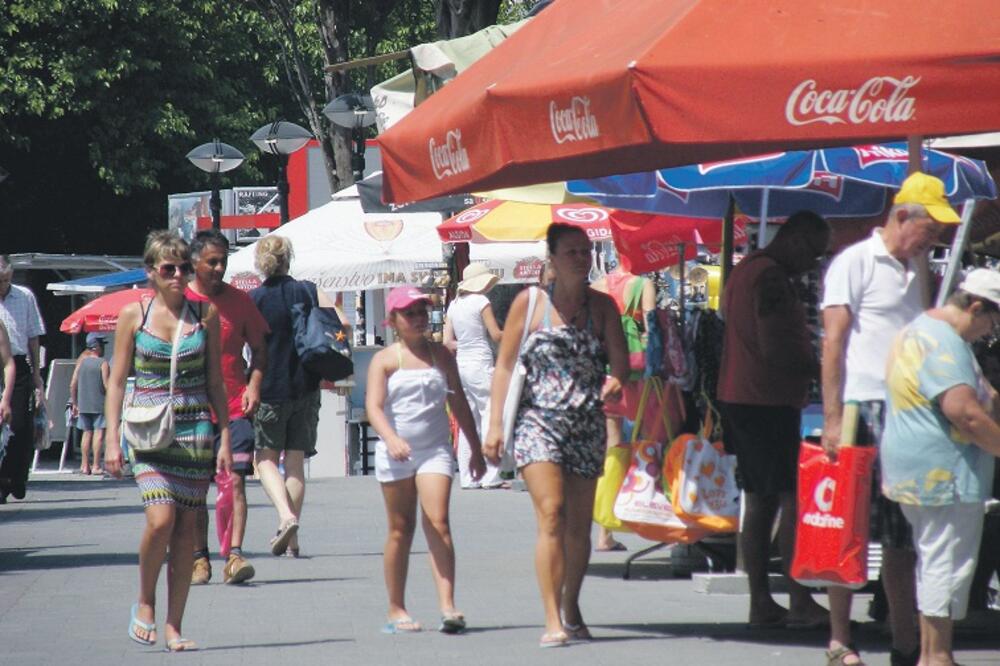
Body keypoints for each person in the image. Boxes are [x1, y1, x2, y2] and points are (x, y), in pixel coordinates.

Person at [820, 172, 959, 666]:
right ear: (903, 217)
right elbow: (833, 341)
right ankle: (840, 638)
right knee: (849, 528)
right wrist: (833, 418)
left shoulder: (918, 270)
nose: (934, 240)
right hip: (863, 406)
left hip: (907, 411)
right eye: (930, 229)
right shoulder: (854, 261)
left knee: (901, 533)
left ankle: (904, 642)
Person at [484, 223, 628, 648]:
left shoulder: (602, 307)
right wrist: (495, 425)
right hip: (538, 423)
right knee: (552, 513)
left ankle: (571, 604)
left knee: (579, 527)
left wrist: (616, 380)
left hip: (586, 423)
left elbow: (620, 361)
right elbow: (504, 365)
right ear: (552, 258)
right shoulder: (529, 304)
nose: (581, 258)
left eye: (585, 251)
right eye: (572, 252)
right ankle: (552, 618)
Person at [104, 231, 232, 652]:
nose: (178, 275)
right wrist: (111, 440)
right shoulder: (133, 314)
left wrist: (225, 437)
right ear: (151, 272)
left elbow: (215, 381)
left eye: (184, 268)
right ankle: (145, 600)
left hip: (194, 433)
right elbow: (117, 381)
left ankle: (174, 626)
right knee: (161, 520)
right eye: (169, 268)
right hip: (148, 431)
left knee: (185, 532)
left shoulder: (205, 314)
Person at [717, 211, 832, 629]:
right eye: (814, 254)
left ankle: (763, 601)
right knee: (788, 497)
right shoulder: (769, 277)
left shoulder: (747, 269)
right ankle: (797, 600)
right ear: (795, 240)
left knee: (762, 499)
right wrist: (822, 370)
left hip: (746, 396)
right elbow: (776, 346)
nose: (814, 264)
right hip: (764, 399)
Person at [881, 268, 1000, 666]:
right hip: (943, 474)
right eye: (992, 322)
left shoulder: (919, 329)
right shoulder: (944, 343)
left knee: (934, 559)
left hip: (918, 470)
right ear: (976, 307)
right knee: (944, 563)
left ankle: (934, 654)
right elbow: (964, 413)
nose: (989, 333)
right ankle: (936, 656)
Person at [366, 286, 486, 634]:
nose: (419, 319)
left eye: (422, 312)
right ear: (393, 320)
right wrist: (391, 438)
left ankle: (448, 606)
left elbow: (458, 402)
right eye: (410, 313)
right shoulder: (385, 360)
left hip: (434, 450)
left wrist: (475, 448)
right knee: (401, 528)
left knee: (439, 521)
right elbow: (374, 407)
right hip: (396, 452)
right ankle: (396, 607)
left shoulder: (441, 355)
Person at [186, 230, 269, 585]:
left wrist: (254, 385)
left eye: (223, 261)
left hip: (235, 407)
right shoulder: (180, 302)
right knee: (196, 489)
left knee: (235, 480)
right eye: (212, 262)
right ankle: (199, 559)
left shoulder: (240, 301)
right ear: (194, 263)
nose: (220, 268)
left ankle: (234, 556)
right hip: (191, 409)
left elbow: (261, 351)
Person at [250, 235, 330, 558]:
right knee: (295, 463)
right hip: (306, 386)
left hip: (268, 387)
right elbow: (342, 323)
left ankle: (286, 517)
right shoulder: (308, 290)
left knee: (265, 459)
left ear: (260, 263)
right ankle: (293, 541)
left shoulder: (254, 299)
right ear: (289, 258)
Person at [591, 261, 656, 552]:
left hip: (605, 375)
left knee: (612, 448)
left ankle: (604, 532)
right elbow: (653, 332)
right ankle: (652, 518)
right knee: (650, 442)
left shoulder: (597, 286)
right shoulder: (643, 285)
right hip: (636, 376)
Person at [443, 262, 503, 489]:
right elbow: (496, 334)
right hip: (480, 362)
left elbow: (447, 342)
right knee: (489, 414)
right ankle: (491, 475)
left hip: (461, 364)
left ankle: (469, 477)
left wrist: (466, 343)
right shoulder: (481, 302)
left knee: (468, 421)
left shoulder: (454, 305)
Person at [0, 256, 46, 502]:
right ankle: (4, 479)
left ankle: (16, 475)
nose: (3, 285)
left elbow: (33, 336)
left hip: (17, 363)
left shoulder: (24, 296)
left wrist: (37, 373)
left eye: (6, 280)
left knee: (19, 424)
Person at [69, 333, 110, 476]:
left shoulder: (81, 362)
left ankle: (85, 465)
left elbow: (72, 384)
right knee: (99, 433)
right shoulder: (103, 363)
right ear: (96, 346)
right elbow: (107, 385)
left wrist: (75, 403)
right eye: (102, 345)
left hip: (83, 404)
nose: (103, 348)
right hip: (99, 404)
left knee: (86, 433)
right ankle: (96, 465)